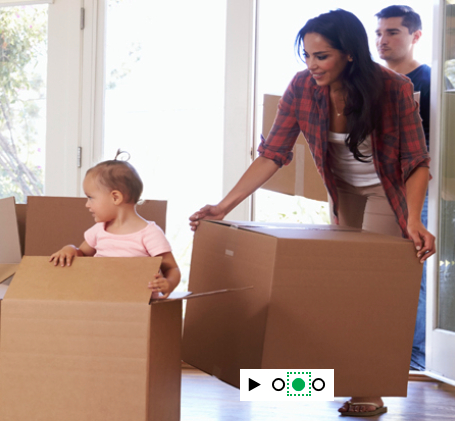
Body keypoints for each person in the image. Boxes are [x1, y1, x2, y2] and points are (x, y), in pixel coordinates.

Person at [188, 9, 433, 417]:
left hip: (386, 190)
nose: (312, 65)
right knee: (345, 286)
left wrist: (413, 219)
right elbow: (273, 154)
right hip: (343, 192)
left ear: (349, 53)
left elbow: (416, 162)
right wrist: (223, 206)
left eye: (322, 56)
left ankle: (369, 390)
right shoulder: (302, 88)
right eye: (307, 55)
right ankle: (343, 376)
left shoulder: (393, 88)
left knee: (371, 287)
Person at [375, 3, 430, 373]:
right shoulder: (371, 83)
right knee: (375, 273)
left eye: (393, 32)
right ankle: (377, 354)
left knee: (414, 274)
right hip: (374, 191)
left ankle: (414, 360)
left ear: (415, 36)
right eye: (379, 33)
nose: (383, 40)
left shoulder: (429, 83)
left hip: (415, 191)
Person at [50, 157, 181, 297]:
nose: (87, 204)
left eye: (91, 197)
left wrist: (169, 283)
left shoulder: (149, 233)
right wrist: (69, 249)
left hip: (136, 301)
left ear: (115, 197)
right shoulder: (99, 230)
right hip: (100, 298)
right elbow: (81, 254)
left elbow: (172, 268)